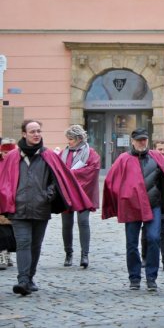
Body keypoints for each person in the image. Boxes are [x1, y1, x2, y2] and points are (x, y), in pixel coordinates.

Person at [0, 119, 94, 296]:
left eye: (38, 131)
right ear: (24, 134)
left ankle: (30, 277)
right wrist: (10, 198)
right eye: (32, 131)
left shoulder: (48, 155)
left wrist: (47, 196)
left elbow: (57, 181)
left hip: (40, 208)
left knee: (35, 245)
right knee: (23, 243)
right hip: (18, 209)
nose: (36, 134)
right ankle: (23, 280)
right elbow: (4, 180)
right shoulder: (13, 156)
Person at [102, 128, 164, 291]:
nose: (142, 142)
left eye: (144, 139)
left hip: (153, 204)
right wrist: (122, 196)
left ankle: (151, 277)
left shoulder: (156, 157)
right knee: (132, 243)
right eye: (139, 140)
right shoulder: (123, 159)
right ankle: (134, 277)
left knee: (154, 238)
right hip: (132, 207)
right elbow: (111, 181)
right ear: (132, 141)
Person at [59, 125, 100, 269]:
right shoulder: (64, 153)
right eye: (68, 139)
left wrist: (70, 174)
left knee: (83, 222)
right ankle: (68, 254)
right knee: (67, 224)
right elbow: (58, 171)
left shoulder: (91, 153)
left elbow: (92, 171)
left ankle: (84, 255)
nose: (68, 142)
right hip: (67, 193)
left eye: (71, 139)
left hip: (84, 194)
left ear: (79, 139)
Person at [140, 139, 164, 271]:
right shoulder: (146, 165)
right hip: (150, 204)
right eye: (159, 149)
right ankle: (145, 258)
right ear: (154, 149)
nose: (162, 152)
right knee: (147, 232)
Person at [0, 138, 18, 270]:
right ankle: (2, 254)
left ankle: (8, 253)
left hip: (13, 201)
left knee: (11, 231)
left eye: (8, 152)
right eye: (4, 152)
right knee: (2, 230)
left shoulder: (17, 163)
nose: (6, 154)